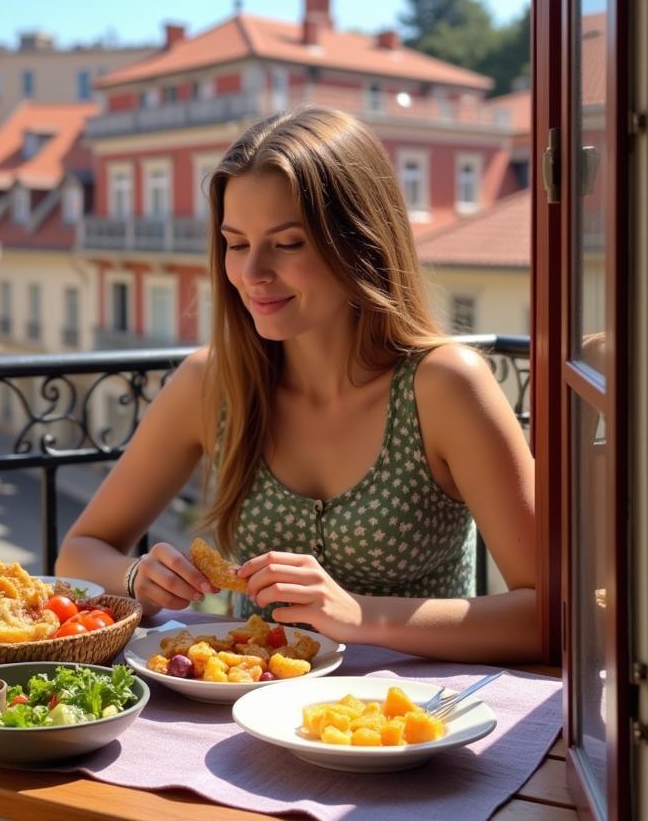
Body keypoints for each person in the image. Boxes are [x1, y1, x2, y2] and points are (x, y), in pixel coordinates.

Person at [56, 107, 538, 663]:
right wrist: (137, 574)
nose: (253, 272)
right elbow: (80, 553)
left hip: (414, 725)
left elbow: (546, 613)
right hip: (249, 721)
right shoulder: (211, 384)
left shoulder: (445, 386)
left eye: (287, 243)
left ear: (359, 243)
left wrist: (360, 615)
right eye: (236, 244)